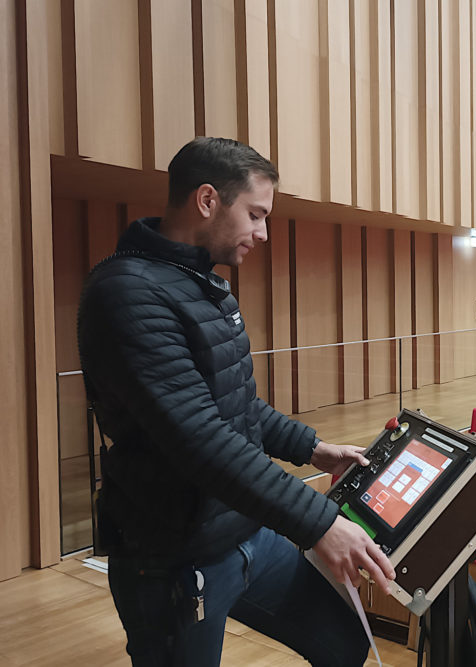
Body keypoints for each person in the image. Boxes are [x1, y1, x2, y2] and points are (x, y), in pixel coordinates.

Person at [77, 136, 395, 666]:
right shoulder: (127, 293)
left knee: (343, 643)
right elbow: (201, 441)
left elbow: (237, 405)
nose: (263, 233)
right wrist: (317, 522)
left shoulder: (202, 282)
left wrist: (313, 448)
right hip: (173, 562)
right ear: (207, 200)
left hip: (247, 533)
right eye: (255, 214)